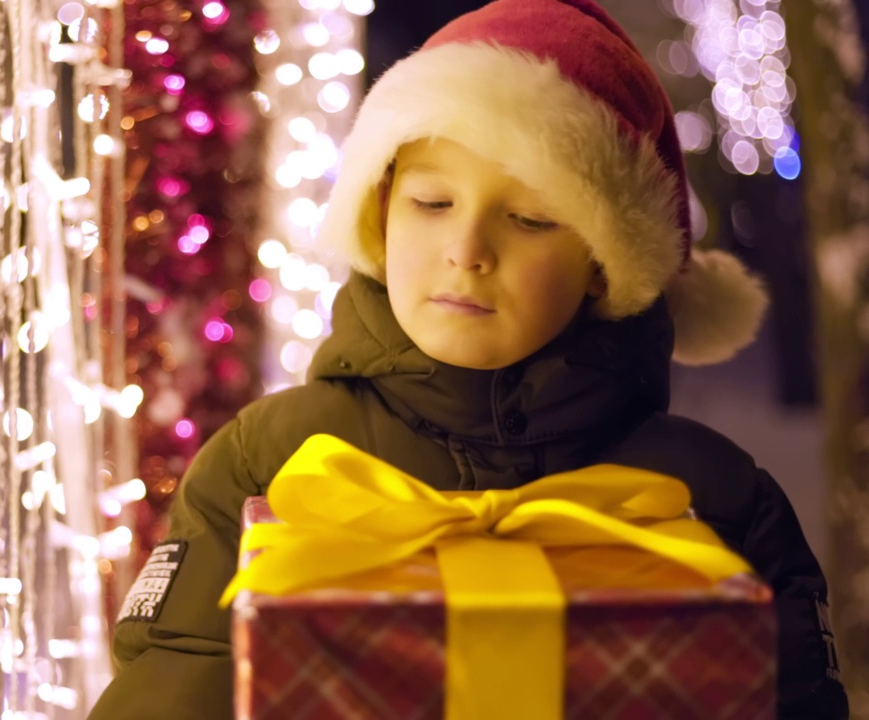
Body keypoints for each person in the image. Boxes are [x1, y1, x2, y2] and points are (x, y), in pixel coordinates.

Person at [88, 0, 849, 717]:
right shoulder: (266, 462)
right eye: (432, 203)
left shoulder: (718, 498)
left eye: (527, 218)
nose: (467, 251)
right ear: (378, 214)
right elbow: (173, 684)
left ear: (602, 264)